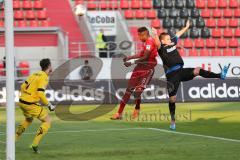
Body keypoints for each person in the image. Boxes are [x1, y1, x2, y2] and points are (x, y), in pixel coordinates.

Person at [152, 20, 229, 130]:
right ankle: (173, 121)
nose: (170, 39)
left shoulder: (172, 43)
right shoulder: (162, 48)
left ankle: (220, 75)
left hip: (181, 70)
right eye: (168, 39)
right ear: (163, 41)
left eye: (170, 38)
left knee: (197, 70)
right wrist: (155, 34)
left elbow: (178, 34)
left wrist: (186, 26)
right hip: (172, 76)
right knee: (172, 99)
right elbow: (157, 43)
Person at [111, 27, 158, 120]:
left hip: (147, 70)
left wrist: (131, 62)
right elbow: (140, 54)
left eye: (141, 35)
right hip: (138, 69)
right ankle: (119, 113)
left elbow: (145, 57)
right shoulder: (145, 43)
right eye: (138, 35)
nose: (139, 37)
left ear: (145, 34)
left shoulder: (150, 41)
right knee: (128, 91)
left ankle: (137, 108)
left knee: (137, 93)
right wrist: (129, 57)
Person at [15, 58, 55, 153]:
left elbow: (22, 87)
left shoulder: (34, 74)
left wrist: (26, 96)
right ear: (49, 66)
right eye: (51, 66)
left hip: (22, 101)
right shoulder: (44, 76)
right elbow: (40, 93)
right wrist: (49, 105)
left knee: (28, 119)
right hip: (30, 104)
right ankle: (35, 144)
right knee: (47, 121)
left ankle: (14, 139)